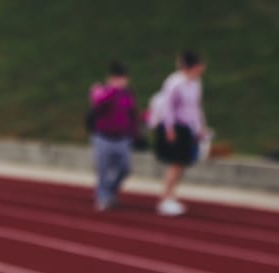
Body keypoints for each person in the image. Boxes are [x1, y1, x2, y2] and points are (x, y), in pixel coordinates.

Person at [150, 50, 209, 217]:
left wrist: (200, 126)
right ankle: (165, 197)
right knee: (175, 164)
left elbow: (196, 107)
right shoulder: (175, 82)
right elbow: (168, 106)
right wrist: (169, 128)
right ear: (195, 66)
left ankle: (171, 195)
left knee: (182, 164)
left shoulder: (196, 83)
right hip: (177, 127)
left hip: (189, 128)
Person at [87, 60, 141, 211]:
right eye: (118, 78)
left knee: (125, 168)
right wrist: (112, 90)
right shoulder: (100, 90)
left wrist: (135, 134)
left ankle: (109, 191)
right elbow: (98, 103)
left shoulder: (128, 94)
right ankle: (102, 197)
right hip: (103, 136)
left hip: (122, 138)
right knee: (102, 170)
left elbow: (132, 114)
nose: (121, 82)